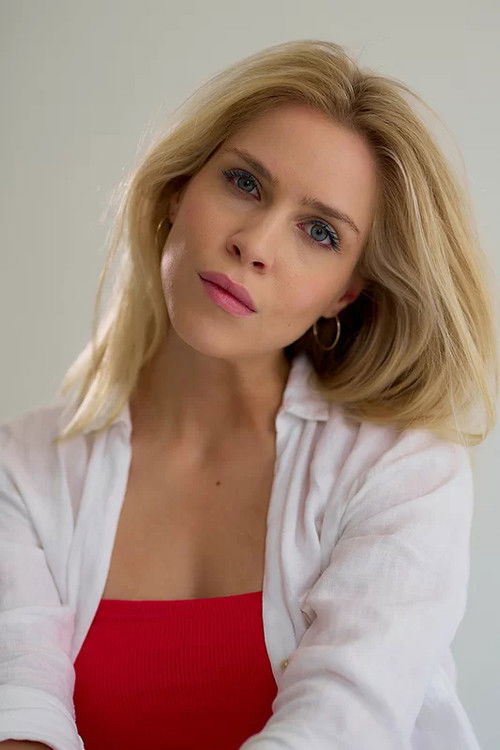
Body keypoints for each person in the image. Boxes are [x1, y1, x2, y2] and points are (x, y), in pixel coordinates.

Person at [0, 38, 497, 750]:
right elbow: (17, 712)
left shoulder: (401, 469)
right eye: (244, 183)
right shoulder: (21, 467)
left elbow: (340, 727)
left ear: (345, 294)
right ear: (178, 191)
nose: (255, 244)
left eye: (319, 232)